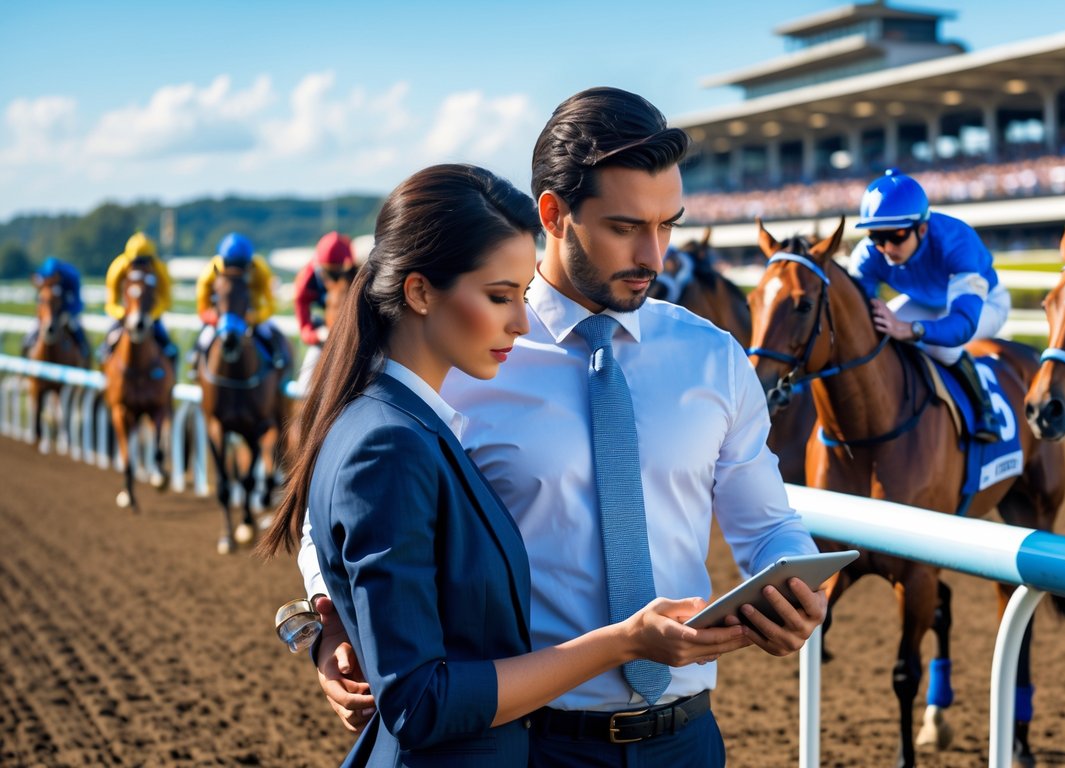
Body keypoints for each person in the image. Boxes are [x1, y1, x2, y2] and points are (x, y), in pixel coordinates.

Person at [296, 87, 828, 765]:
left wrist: (800, 588)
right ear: (553, 213)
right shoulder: (459, 347)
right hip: (525, 741)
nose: (655, 255)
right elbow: (338, 506)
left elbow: (767, 523)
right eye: (626, 227)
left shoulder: (713, 355)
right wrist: (330, 620)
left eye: (669, 224)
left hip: (689, 739)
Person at [849, 168, 1010, 441]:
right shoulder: (866, 255)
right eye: (876, 236)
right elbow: (859, 312)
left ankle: (984, 409)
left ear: (922, 228)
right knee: (879, 333)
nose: (887, 247)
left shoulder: (957, 242)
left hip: (985, 304)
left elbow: (962, 325)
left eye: (897, 235)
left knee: (941, 345)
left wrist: (912, 330)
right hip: (926, 301)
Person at [192, 232, 285, 370]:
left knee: (267, 332)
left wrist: (254, 317)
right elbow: (202, 308)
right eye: (231, 265)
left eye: (241, 266)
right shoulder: (209, 272)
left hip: (251, 313)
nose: (236, 271)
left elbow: (271, 304)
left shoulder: (260, 270)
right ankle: (195, 362)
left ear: (249, 262)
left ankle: (277, 360)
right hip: (220, 316)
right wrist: (217, 319)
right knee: (204, 338)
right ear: (223, 261)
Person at [100, 232, 178, 366]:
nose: (141, 266)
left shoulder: (160, 268)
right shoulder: (118, 267)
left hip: (151, 313)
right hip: (126, 313)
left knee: (170, 348)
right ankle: (103, 365)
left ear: (151, 260)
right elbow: (111, 303)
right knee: (106, 345)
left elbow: (166, 300)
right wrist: (123, 314)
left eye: (145, 262)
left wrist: (151, 315)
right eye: (136, 262)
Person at [293, 231, 357, 388]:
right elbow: (304, 327)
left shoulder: (353, 273)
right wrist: (316, 335)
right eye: (329, 272)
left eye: (339, 272)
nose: (334, 278)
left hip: (349, 327)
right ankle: (303, 394)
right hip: (323, 329)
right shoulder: (306, 280)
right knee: (305, 383)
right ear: (319, 267)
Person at [23, 256, 91, 360]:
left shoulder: (72, 277)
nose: (51, 283)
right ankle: (25, 351)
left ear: (58, 276)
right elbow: (39, 294)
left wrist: (68, 312)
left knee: (75, 325)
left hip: (67, 308)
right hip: (49, 309)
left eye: (53, 281)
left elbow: (78, 302)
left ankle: (84, 350)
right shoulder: (43, 274)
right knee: (33, 328)